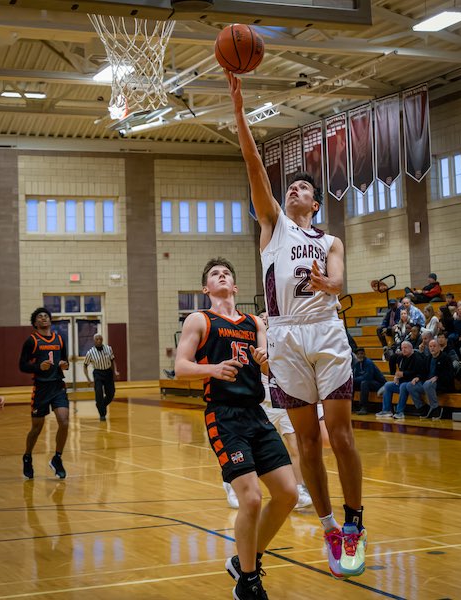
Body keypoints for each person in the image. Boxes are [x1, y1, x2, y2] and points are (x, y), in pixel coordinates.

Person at [227, 70, 366, 580]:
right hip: (285, 333)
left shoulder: (330, 241)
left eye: (304, 187)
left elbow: (337, 280)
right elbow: (253, 165)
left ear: (315, 203)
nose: (295, 190)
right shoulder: (273, 226)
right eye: (291, 186)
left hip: (324, 328)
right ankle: (329, 523)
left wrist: (330, 287)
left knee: (341, 434)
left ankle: (355, 520)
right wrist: (240, 114)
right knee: (306, 441)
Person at [175, 258, 298, 600]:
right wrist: (213, 369)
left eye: (226, 272)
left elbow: (273, 367)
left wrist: (266, 362)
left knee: (287, 493)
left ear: (235, 286)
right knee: (252, 498)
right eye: (214, 274)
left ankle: (246, 558)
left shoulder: (254, 321)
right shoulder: (200, 319)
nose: (222, 276)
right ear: (206, 288)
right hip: (224, 416)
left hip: (256, 413)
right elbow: (181, 367)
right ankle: (249, 581)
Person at [19, 307, 69, 479]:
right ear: (35, 323)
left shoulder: (60, 339)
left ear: (50, 320)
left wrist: (64, 364)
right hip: (41, 388)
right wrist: (37, 367)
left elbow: (65, 361)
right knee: (36, 428)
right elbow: (22, 365)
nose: (43, 318)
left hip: (57, 386)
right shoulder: (31, 341)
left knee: (64, 422)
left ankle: (57, 458)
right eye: (39, 316)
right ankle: (27, 457)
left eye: (46, 316)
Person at [406, 339, 455, 420]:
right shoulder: (428, 358)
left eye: (434, 346)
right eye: (430, 346)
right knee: (410, 385)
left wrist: (438, 377)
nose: (432, 348)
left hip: (442, 384)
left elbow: (450, 374)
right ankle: (422, 408)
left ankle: (436, 409)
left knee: (427, 384)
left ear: (439, 347)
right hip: (428, 384)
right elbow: (423, 372)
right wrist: (418, 377)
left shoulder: (445, 358)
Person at [376, 341, 426, 419]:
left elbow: (419, 373)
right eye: (402, 348)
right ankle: (386, 410)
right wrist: (397, 377)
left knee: (403, 385)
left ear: (411, 348)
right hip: (403, 382)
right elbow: (399, 370)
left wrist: (403, 374)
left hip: (413, 384)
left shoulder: (417, 358)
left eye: (405, 348)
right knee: (388, 385)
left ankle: (400, 412)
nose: (403, 350)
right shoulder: (401, 358)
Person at [83, 333, 119, 421]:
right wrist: (88, 379)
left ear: (102, 340)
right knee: (98, 394)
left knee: (111, 394)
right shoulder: (90, 352)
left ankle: (101, 404)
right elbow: (85, 366)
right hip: (98, 373)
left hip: (108, 372)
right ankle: (102, 415)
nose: (99, 340)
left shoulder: (108, 348)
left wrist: (115, 371)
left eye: (100, 339)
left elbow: (112, 361)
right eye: (97, 339)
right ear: (94, 341)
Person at [353, 348, 386, 415]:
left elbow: (368, 377)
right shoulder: (356, 364)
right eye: (358, 354)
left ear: (364, 354)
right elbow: (355, 377)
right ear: (356, 355)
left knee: (364, 383)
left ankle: (364, 407)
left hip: (379, 384)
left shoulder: (368, 363)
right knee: (351, 384)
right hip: (366, 383)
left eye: (361, 354)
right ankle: (352, 405)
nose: (360, 355)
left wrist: (354, 380)